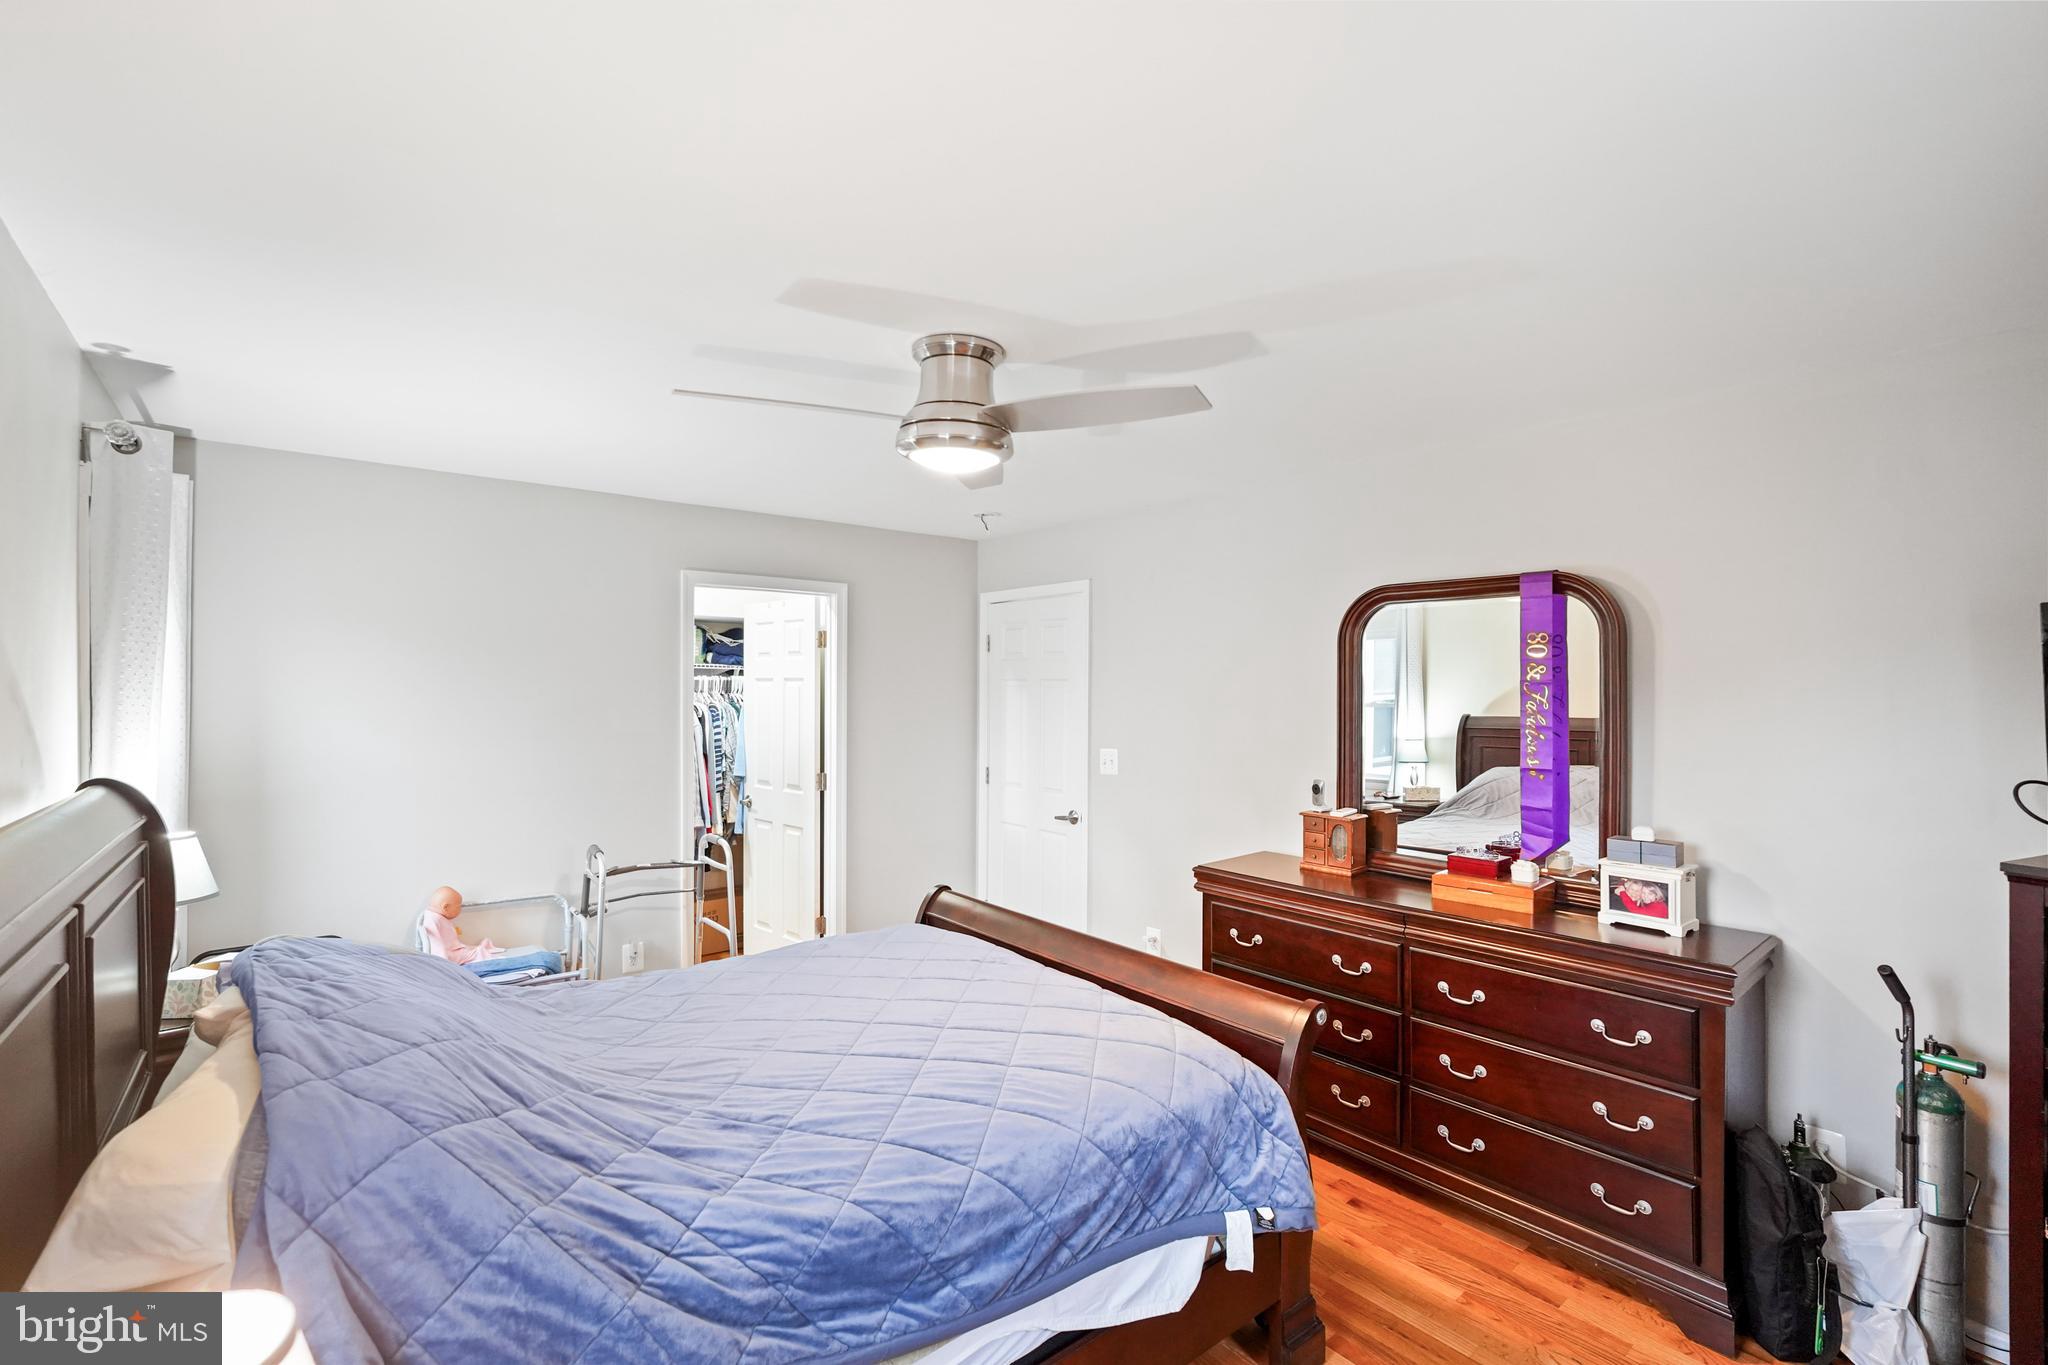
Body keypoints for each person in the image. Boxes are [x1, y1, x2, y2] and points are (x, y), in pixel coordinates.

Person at [417, 885, 504, 965]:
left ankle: (482, 952)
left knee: (472, 950)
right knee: (477, 953)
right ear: (445, 907)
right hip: (448, 956)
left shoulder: (437, 917)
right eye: (458, 906)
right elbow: (436, 945)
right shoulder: (433, 919)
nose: (460, 909)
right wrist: (444, 964)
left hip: (452, 951)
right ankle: (495, 962)